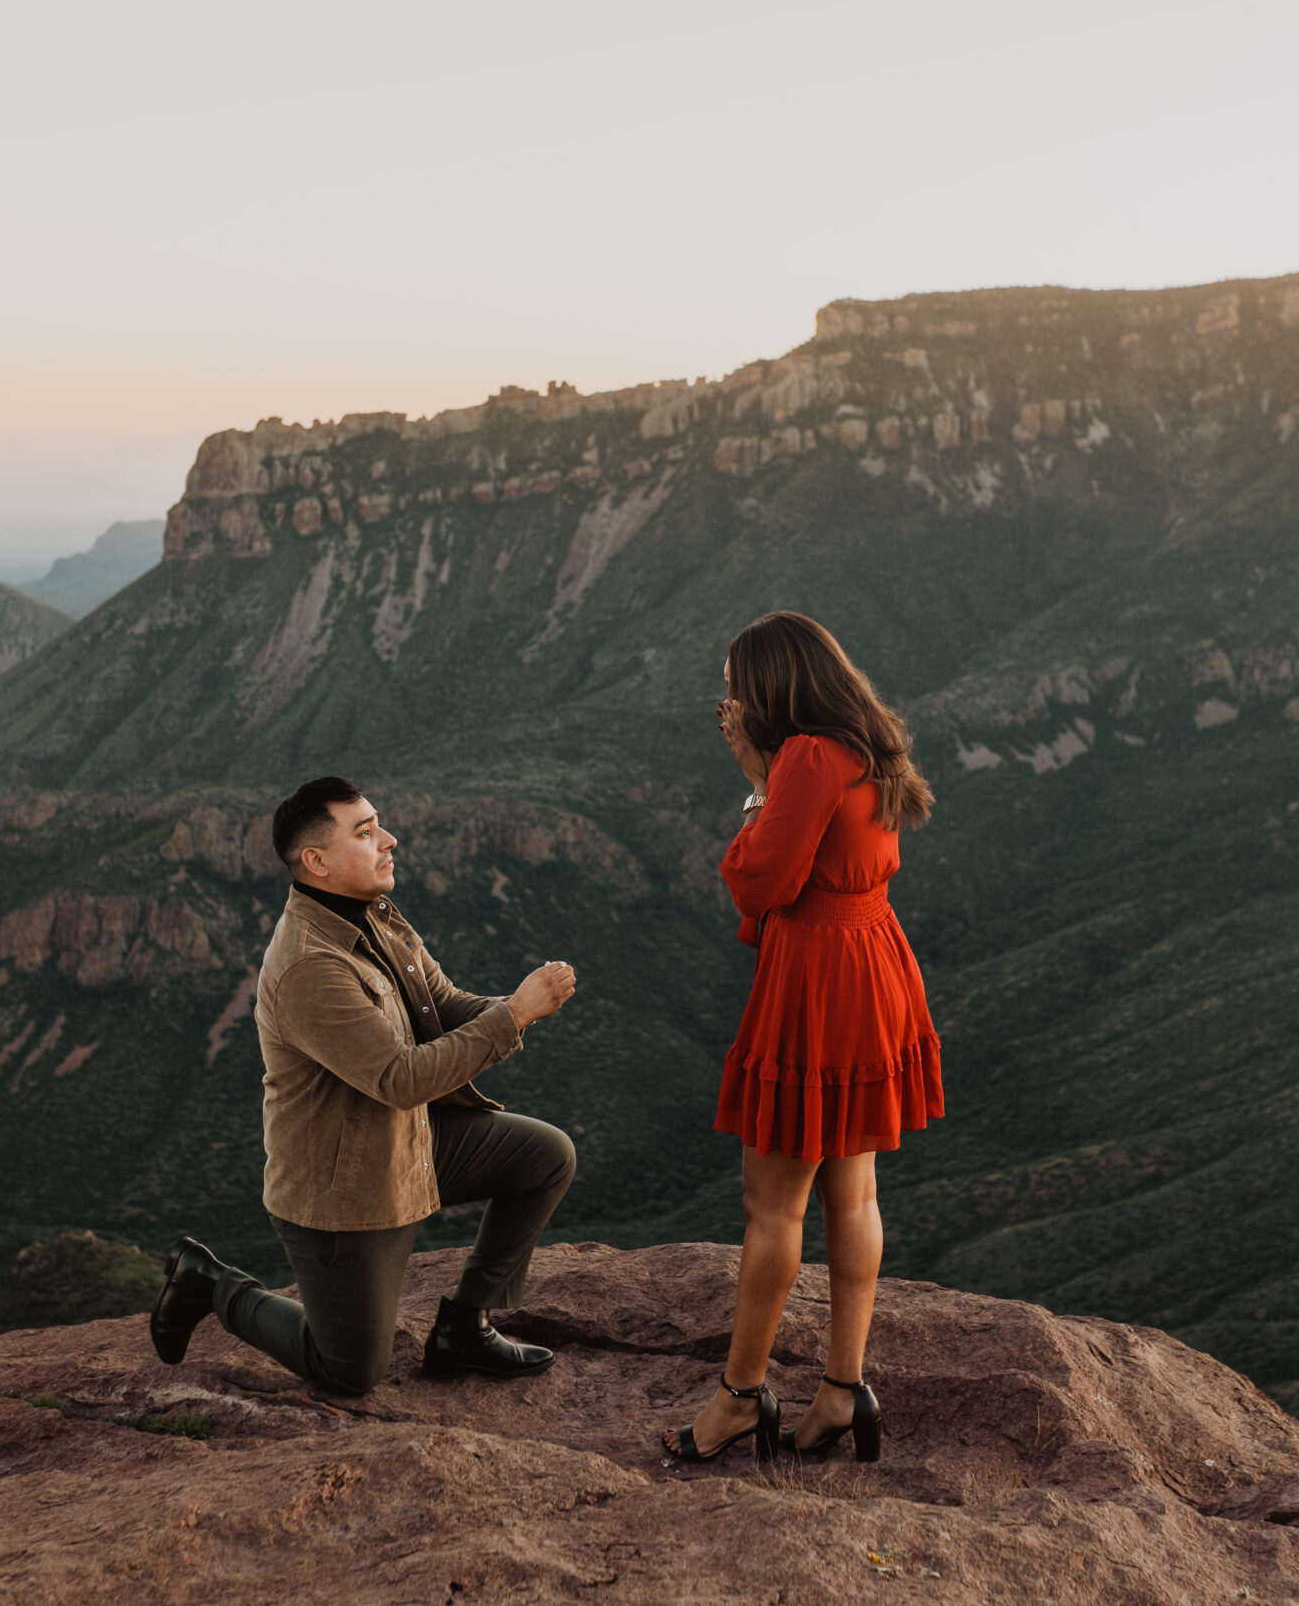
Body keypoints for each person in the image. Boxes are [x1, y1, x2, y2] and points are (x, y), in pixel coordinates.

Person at [147, 776, 580, 1395]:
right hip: (343, 1192)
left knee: (546, 1158)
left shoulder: (375, 914)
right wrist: (515, 1015)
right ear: (316, 861)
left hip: (408, 1145)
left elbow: (445, 1005)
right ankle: (211, 1284)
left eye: (379, 823)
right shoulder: (308, 965)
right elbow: (399, 1079)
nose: (390, 839)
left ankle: (465, 1326)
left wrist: (518, 1004)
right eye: (367, 831)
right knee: (349, 1370)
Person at [662, 611, 942, 1466]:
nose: (730, 701)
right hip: (875, 965)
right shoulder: (868, 746)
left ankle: (741, 1398)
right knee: (851, 1193)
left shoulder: (808, 757)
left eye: (736, 684)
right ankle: (842, 1388)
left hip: (820, 983)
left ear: (773, 688)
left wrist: (756, 777)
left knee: (773, 1202)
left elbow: (758, 881)